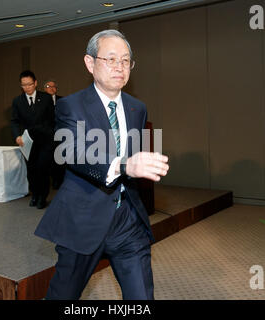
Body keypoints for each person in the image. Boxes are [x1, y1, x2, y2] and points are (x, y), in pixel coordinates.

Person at [34, 29, 169, 299]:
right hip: (83, 218)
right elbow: (72, 151)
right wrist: (123, 165)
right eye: (111, 59)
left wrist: (136, 167)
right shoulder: (70, 106)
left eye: (125, 60)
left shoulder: (137, 108)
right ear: (89, 63)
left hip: (127, 220)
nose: (120, 67)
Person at [11, 70, 54, 209]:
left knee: (42, 168)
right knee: (32, 170)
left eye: (29, 84)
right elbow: (14, 121)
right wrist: (17, 135)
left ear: (35, 83)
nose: (27, 87)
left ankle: (43, 197)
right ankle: (35, 194)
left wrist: (51, 134)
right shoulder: (18, 101)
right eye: (24, 85)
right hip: (28, 142)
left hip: (45, 140)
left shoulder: (46, 99)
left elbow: (53, 120)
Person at [44, 80, 65, 189]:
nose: (51, 88)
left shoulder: (62, 100)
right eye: (48, 86)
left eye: (53, 86)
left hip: (60, 133)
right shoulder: (41, 101)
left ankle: (58, 180)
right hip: (47, 134)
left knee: (60, 158)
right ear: (44, 89)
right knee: (49, 158)